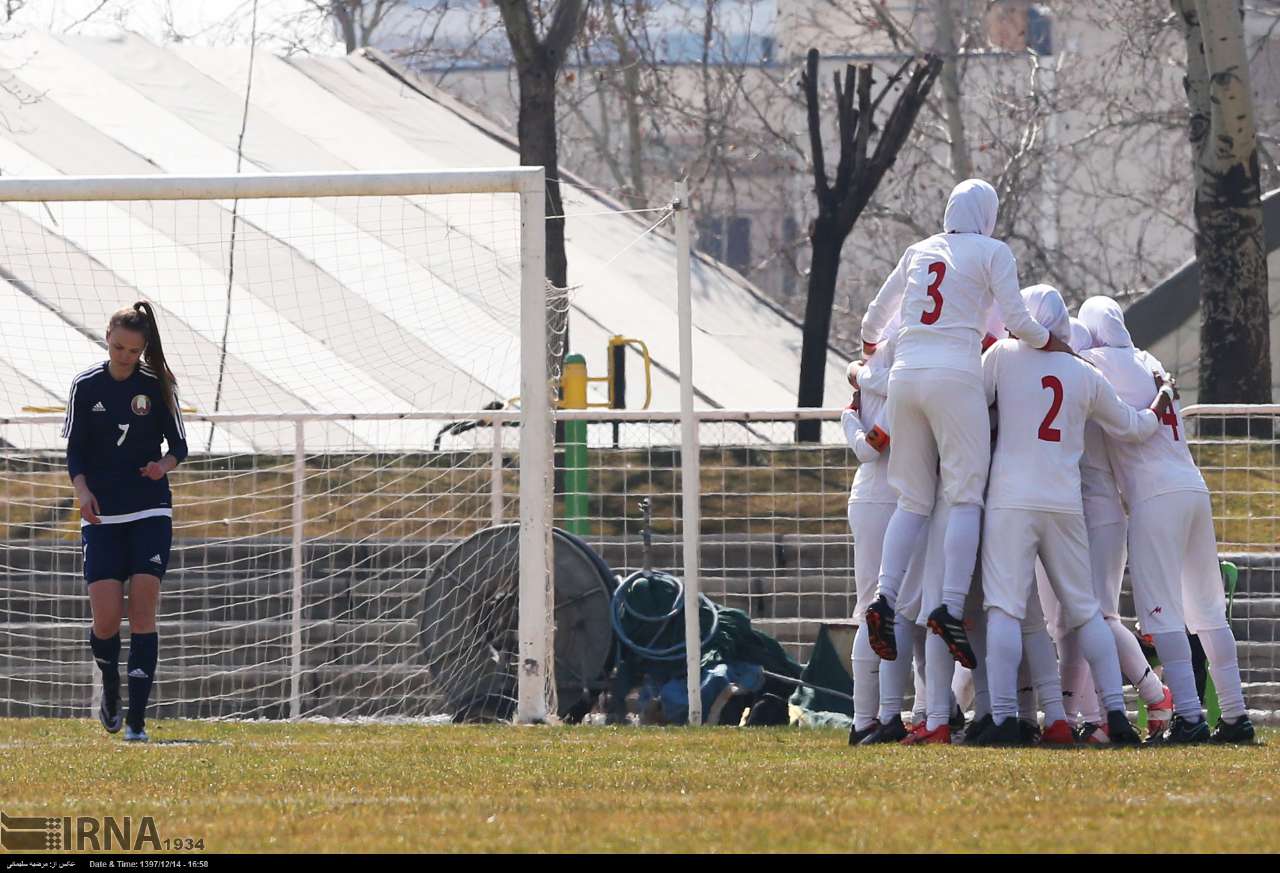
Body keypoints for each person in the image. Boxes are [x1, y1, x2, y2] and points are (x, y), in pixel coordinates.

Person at [859, 179, 1070, 668]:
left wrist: (870, 349)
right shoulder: (993, 252)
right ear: (987, 215)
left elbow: (873, 320)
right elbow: (1018, 321)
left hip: (905, 377)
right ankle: (949, 607)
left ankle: (884, 597)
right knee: (965, 495)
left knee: (912, 499)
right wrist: (1053, 344)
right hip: (956, 375)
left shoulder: (917, 251)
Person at [978, 285, 1168, 745]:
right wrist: (1161, 400)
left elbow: (972, 404)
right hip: (1065, 501)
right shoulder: (1084, 372)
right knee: (1087, 612)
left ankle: (1003, 719)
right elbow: (1132, 426)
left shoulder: (1002, 355)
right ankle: (1116, 714)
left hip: (1010, 498)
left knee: (1004, 609)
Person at [1078, 296, 1254, 744]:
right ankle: (1236, 716)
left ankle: (1189, 717)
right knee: (1209, 613)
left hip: (1153, 496)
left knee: (1164, 614)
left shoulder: (1093, 362)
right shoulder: (1147, 359)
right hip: (1193, 487)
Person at [63, 302, 188, 743]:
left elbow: (179, 446)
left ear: (143, 350)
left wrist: (161, 467)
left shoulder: (157, 385)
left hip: (150, 509)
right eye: (118, 347)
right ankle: (110, 685)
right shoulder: (85, 386)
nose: (124, 356)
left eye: (133, 351)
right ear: (107, 338)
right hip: (102, 515)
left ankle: (136, 721)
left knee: (142, 611)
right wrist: (83, 493)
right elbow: (75, 452)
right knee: (105, 619)